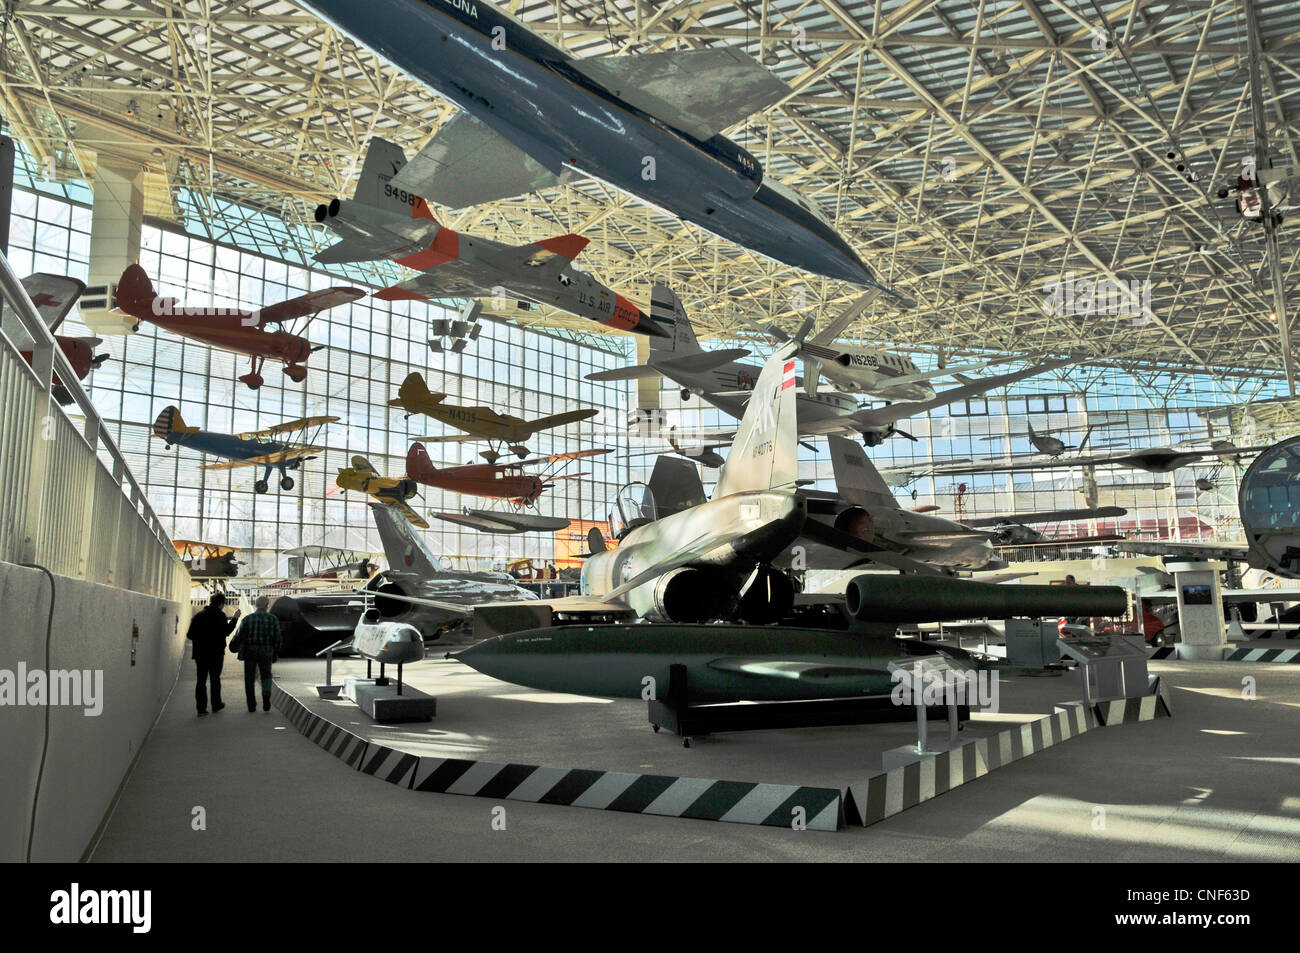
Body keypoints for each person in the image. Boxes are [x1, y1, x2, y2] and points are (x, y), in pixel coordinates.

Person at [186, 592, 239, 715]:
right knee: (215, 679)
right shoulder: (220, 616)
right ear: (221, 604)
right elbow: (226, 632)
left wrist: (201, 639)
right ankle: (216, 704)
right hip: (216, 653)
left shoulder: (198, 616)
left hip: (200, 654)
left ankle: (201, 708)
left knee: (201, 680)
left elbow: (190, 635)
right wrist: (235, 618)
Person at [234, 595, 282, 712]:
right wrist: (276, 652)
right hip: (266, 650)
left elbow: (239, 635)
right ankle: (266, 698)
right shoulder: (273, 619)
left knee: (249, 678)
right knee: (266, 676)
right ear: (267, 606)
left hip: (250, 651)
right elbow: (278, 638)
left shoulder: (247, 619)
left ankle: (251, 704)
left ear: (256, 605)